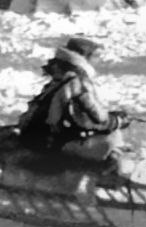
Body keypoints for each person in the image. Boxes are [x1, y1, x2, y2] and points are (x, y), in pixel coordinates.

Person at [17, 36, 128, 169]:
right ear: (84, 57)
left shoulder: (61, 77)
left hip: (34, 136)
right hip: (51, 142)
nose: (98, 60)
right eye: (96, 56)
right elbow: (94, 120)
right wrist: (118, 121)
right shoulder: (79, 82)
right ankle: (109, 174)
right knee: (113, 137)